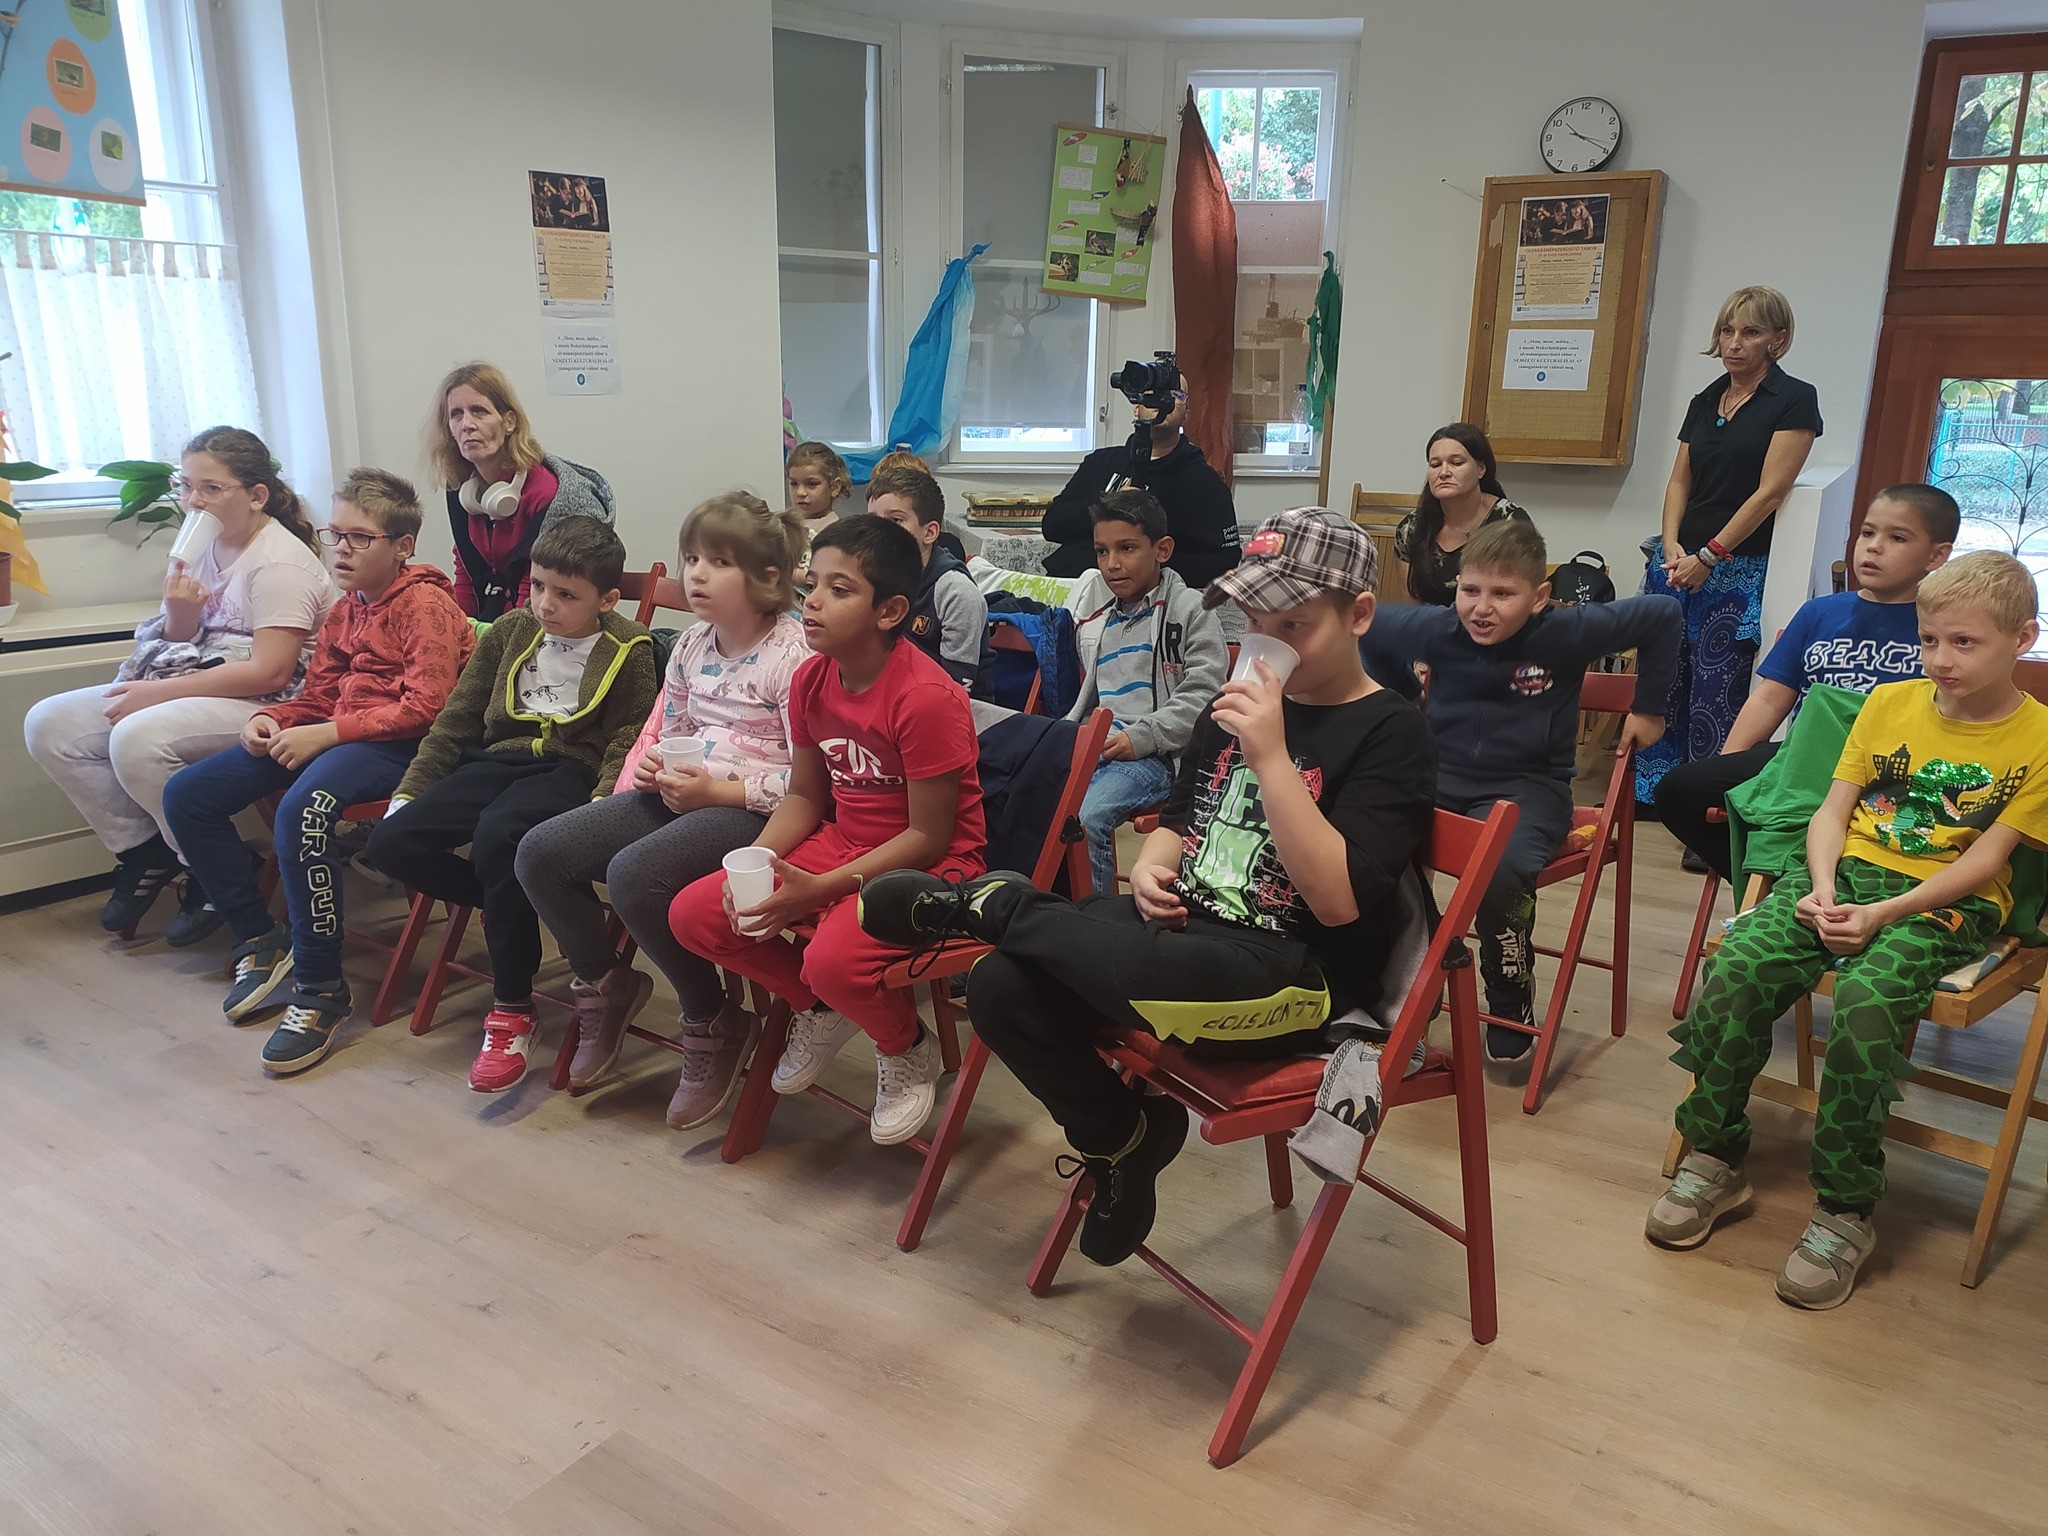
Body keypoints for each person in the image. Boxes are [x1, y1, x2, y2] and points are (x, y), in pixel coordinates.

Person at [855, 509, 1433, 1266]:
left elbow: (1336, 901)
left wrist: (1272, 757)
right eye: (1254, 624)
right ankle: (1121, 1138)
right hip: (1192, 932)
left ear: (1357, 615)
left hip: (1301, 977)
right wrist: (1159, 861)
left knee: (1127, 960)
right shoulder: (1237, 708)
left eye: (1292, 626)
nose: (1267, 645)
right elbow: (1184, 817)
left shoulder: (1391, 732)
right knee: (1000, 985)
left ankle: (995, 905)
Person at [1650, 551, 2048, 1310]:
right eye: (1929, 640)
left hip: (1945, 901)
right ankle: (1715, 1155)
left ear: (2021, 638)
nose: (1941, 659)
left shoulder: (2040, 737)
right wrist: (1824, 887)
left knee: (1867, 1007)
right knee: (1738, 968)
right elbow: (1831, 811)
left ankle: (1845, 1207)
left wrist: (1883, 914)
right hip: (1844, 876)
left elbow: (1987, 861)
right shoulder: (1889, 703)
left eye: (1965, 642)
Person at [667, 517, 986, 1146]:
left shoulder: (925, 697)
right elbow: (806, 796)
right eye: (811, 583)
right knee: (697, 915)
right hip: (845, 842)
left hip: (932, 862)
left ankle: (904, 1044)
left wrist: (818, 889)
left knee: (831, 958)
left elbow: (928, 835)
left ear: (890, 611)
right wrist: (756, 862)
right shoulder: (812, 678)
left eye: (839, 590)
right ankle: (818, 1007)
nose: (811, 601)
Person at [159, 470, 474, 1072]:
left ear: (403, 546)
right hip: (343, 735)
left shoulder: (426, 605)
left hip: (411, 748)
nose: (342, 550)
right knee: (188, 795)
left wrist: (329, 732)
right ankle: (259, 937)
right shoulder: (345, 609)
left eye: (360, 538)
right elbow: (320, 695)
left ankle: (321, 987)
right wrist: (273, 719)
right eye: (336, 535)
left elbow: (428, 708)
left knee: (303, 812)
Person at [515, 492, 809, 1127]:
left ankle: (712, 1019)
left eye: (719, 562)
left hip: (755, 812)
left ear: (768, 578)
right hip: (681, 794)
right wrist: (647, 770)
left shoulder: (794, 657)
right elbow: (666, 731)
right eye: (692, 558)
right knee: (540, 851)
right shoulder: (691, 645)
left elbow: (812, 783)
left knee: (634, 875)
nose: (696, 574)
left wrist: (719, 792)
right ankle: (606, 982)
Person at [1362, 519, 1680, 1061]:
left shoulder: (1567, 632)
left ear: (1539, 597)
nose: (1481, 608)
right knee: (1368, 840)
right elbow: (1369, 628)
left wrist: (1649, 708)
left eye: (1503, 594)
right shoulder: (1438, 629)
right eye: (1470, 590)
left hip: (1529, 789)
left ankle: (1509, 988)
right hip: (1437, 782)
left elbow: (1663, 614)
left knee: (1501, 865)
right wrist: (1404, 696)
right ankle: (1414, 972)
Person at [361, 518, 657, 1093]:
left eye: (566, 595)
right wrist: (410, 791)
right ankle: (515, 900)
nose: (546, 604)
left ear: (607, 600)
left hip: (567, 771)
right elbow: (458, 719)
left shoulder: (630, 648)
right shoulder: (510, 631)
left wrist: (601, 805)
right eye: (538, 586)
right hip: (495, 761)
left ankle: (513, 1008)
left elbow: (628, 738)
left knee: (499, 838)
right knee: (391, 842)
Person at [24, 426, 335, 946]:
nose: (193, 501)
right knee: (50, 724)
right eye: (186, 485)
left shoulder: (280, 562)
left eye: (211, 488)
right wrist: (179, 613)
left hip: (272, 702)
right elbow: (182, 641)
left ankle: (209, 867)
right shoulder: (203, 546)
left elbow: (271, 673)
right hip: (205, 681)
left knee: (138, 737)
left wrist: (155, 693)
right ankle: (144, 850)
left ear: (257, 496)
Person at [1654, 484, 1958, 882]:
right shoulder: (1819, 613)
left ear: (1937, 556)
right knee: (1679, 791)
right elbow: (1770, 700)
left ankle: (1838, 884)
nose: (1874, 546)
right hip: (1803, 760)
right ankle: (1780, 884)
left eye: (1897, 538)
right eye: (1867, 532)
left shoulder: (1944, 625)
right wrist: (1725, 767)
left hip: (1890, 770)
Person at [1635, 286, 1822, 805]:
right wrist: (1671, 545)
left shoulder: (1793, 398)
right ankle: (1649, 795)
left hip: (1735, 567)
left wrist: (1710, 555)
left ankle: (1704, 804)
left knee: (1715, 692)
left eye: (1750, 332)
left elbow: (1772, 492)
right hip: (1676, 563)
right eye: (1727, 330)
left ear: (1777, 339)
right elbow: (1680, 480)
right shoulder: (1706, 399)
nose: (1734, 343)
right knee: (1661, 682)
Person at [1065, 487, 1228, 894]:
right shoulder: (1099, 622)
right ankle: (1053, 909)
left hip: (1158, 758)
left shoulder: (1191, 610)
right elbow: (1091, 703)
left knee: (1085, 818)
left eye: (1127, 548)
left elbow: (1204, 697)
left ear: (1162, 549)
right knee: (1034, 799)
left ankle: (1097, 922)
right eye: (1101, 551)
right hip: (1103, 750)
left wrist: (1141, 738)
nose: (1112, 564)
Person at [425, 361, 617, 621]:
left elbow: (536, 589)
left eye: (479, 411)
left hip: (540, 623)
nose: (467, 424)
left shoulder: (546, 492)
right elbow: (466, 572)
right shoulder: (464, 491)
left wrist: (497, 639)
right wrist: (459, 632)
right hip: (494, 624)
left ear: (509, 422)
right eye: (456, 414)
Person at [1042, 387, 1241, 588]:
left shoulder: (1205, 482)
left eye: (1176, 395)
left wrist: (1150, 564)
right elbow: (1052, 525)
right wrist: (1110, 505)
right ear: (1136, 407)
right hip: (1071, 584)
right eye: (1153, 392)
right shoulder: (1099, 462)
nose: (1162, 400)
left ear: (1186, 415)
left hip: (1150, 595)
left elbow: (1225, 559)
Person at [863, 464, 991, 693]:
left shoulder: (956, 592)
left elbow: (957, 689)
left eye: (895, 520)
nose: (879, 531)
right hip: (888, 696)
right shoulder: (869, 580)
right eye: (873, 520)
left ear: (929, 533)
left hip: (952, 704)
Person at [1392, 423, 1534, 606]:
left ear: (1481, 469)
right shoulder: (1411, 528)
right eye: (1435, 464)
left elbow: (1514, 602)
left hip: (1489, 619)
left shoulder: (1510, 524)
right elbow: (1411, 607)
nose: (1443, 472)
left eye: (1456, 463)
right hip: (1429, 622)